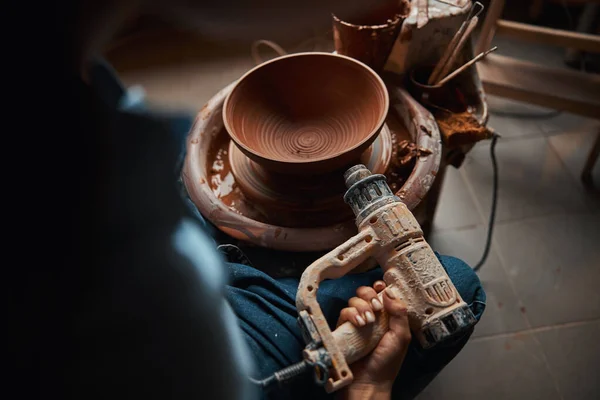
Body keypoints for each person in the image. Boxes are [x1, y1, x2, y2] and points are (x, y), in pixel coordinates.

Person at [19, 1, 486, 399]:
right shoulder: (150, 340)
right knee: (461, 285)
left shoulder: (59, 63)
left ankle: (240, 265)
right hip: (228, 353)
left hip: (159, 271)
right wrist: (367, 390)